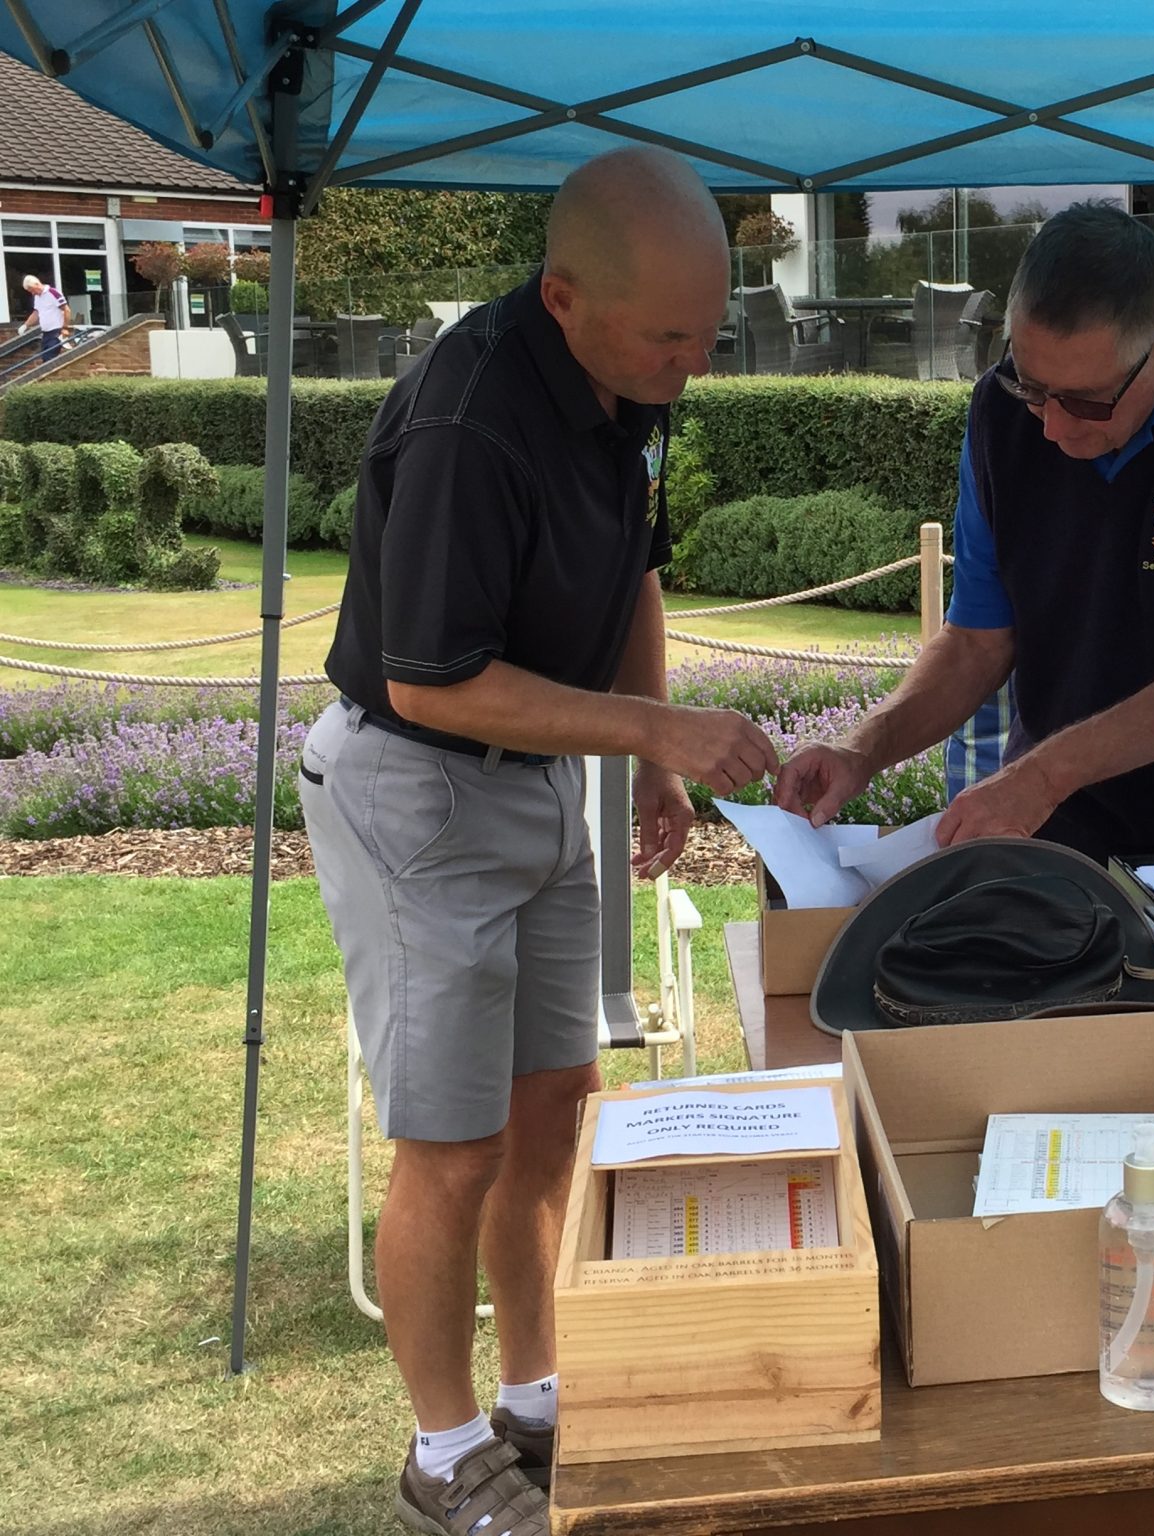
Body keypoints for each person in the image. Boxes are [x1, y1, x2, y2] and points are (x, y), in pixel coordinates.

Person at [298, 147, 777, 1536]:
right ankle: (442, 1453)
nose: (692, 364)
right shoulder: (468, 419)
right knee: (449, 1145)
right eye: (669, 337)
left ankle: (537, 1395)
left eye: (709, 333)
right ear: (565, 298)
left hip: (543, 782)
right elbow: (428, 678)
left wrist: (642, 752)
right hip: (417, 787)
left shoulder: (629, 388)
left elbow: (634, 567)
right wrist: (651, 739)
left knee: (556, 1098)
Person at [776, 204, 1154, 862]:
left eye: (1088, 400)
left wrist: (1039, 777)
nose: (1053, 429)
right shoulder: (998, 411)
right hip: (1054, 826)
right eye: (1033, 387)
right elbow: (977, 641)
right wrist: (862, 748)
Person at [18, 274, 70, 361]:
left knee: (49, 358)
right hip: (46, 333)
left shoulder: (53, 293)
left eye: (32, 290)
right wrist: (25, 325)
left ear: (37, 284)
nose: (32, 293)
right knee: (44, 357)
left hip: (56, 331)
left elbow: (66, 310)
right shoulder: (37, 297)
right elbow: (36, 313)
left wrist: (65, 328)